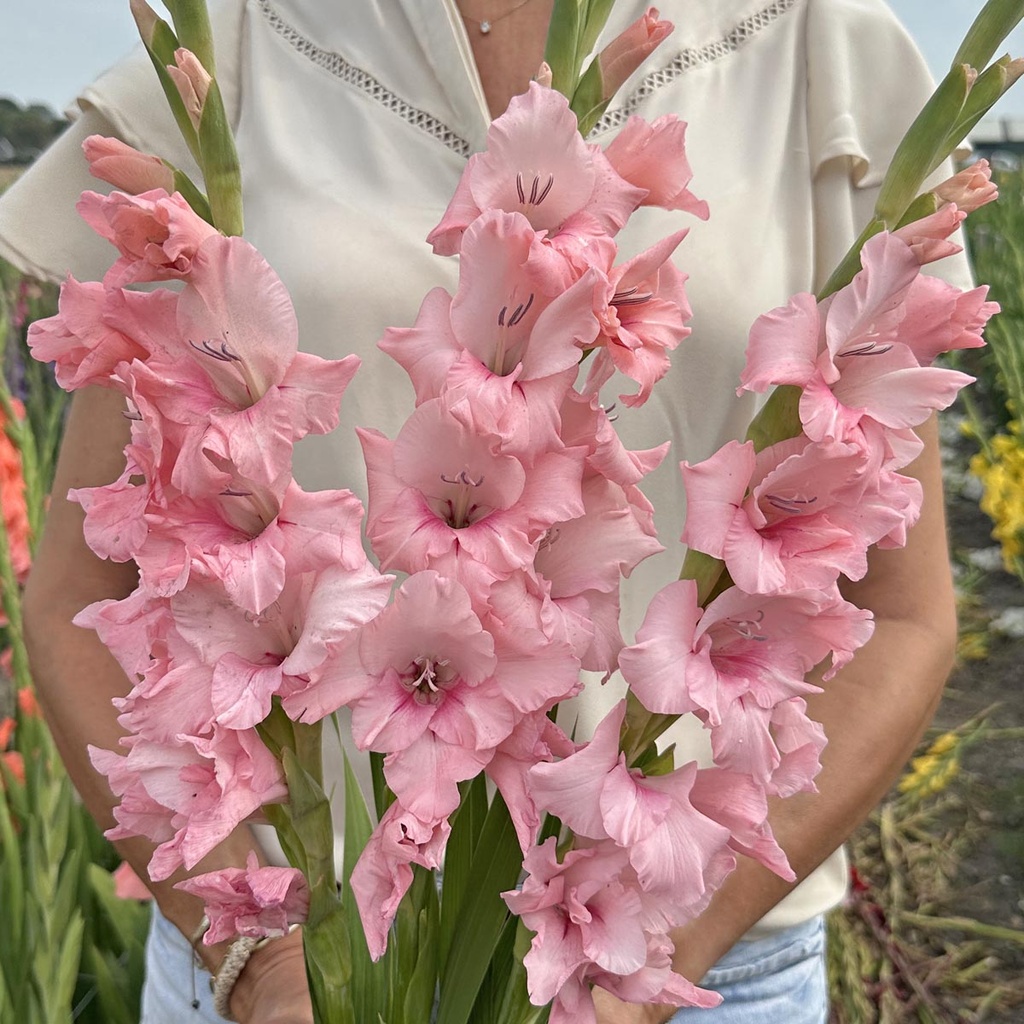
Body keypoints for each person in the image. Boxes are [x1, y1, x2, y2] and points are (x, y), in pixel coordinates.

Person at [0, 0, 968, 1021]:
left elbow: (904, 618)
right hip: (280, 956)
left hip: (695, 964)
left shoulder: (824, 40)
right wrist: (269, 968)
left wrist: (635, 970)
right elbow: (79, 594)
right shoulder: (239, 29)